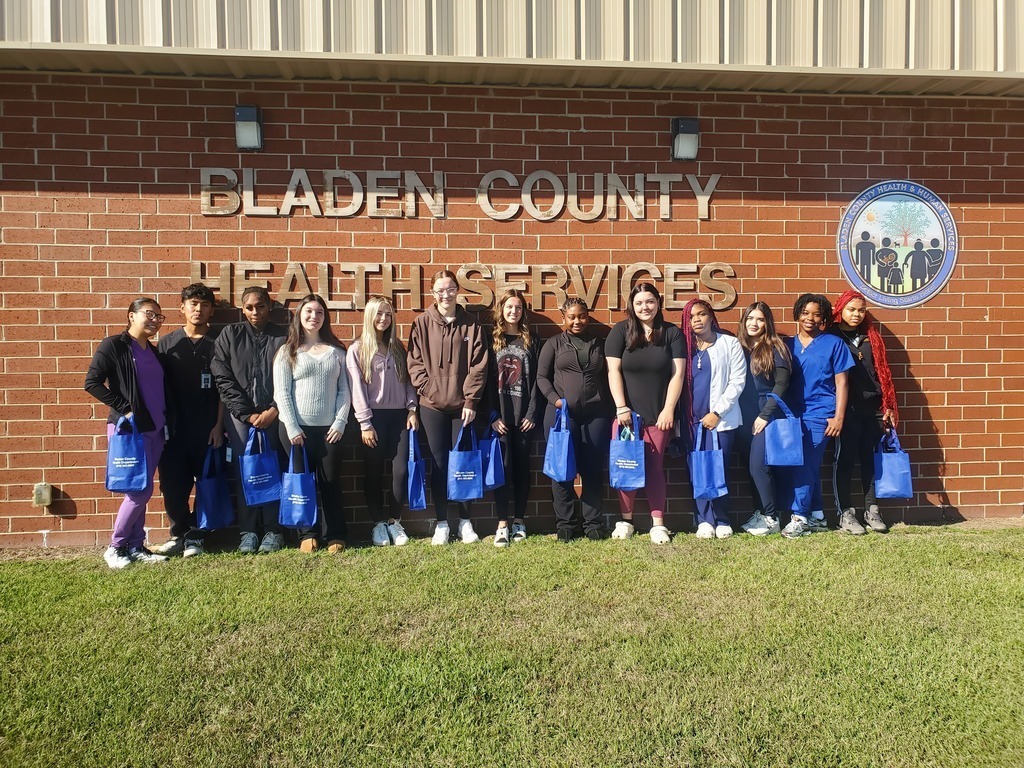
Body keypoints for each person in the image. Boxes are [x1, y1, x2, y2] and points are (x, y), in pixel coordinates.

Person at [84, 298, 171, 569]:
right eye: (149, 314)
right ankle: (116, 546)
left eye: (159, 316)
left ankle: (135, 545)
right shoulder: (115, 346)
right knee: (138, 491)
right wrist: (125, 409)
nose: (155, 320)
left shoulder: (154, 352)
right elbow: (92, 383)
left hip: (155, 429)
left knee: (142, 489)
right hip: (130, 431)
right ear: (131, 316)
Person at [407, 270, 489, 545]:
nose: (446, 294)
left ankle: (465, 522)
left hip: (462, 407)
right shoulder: (421, 323)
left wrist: (470, 400)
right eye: (441, 289)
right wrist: (428, 390)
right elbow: (414, 362)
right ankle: (442, 522)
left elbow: (479, 364)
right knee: (440, 464)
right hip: (431, 406)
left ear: (457, 290)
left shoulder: (471, 324)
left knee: (462, 463)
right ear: (433, 293)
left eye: (451, 288)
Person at [605, 282, 686, 544]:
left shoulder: (672, 333)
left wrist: (669, 409)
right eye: (639, 302)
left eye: (649, 301)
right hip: (626, 416)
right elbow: (613, 371)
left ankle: (658, 523)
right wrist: (620, 407)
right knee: (626, 465)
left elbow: (678, 375)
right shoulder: (620, 332)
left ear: (658, 303)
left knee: (654, 467)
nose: (645, 307)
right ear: (632, 305)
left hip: (658, 415)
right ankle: (626, 521)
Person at [211, 286, 287, 554]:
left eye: (261, 306)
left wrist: (274, 409)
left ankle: (273, 531)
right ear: (243, 309)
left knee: (273, 470)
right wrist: (247, 413)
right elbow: (222, 376)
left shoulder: (284, 335)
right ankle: (248, 532)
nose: (255, 312)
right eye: (250, 307)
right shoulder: (230, 335)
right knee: (248, 471)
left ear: (270, 307)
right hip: (242, 419)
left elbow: (293, 374)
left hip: (276, 416)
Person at [274, 294, 351, 553]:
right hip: (297, 432)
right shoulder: (287, 352)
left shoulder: (337, 353)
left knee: (330, 482)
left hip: (331, 431)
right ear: (299, 315)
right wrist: (293, 427)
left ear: (325, 317)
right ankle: (306, 533)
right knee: (302, 482)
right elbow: (281, 393)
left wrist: (340, 422)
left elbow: (344, 391)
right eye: (308, 312)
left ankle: (335, 535)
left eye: (319, 312)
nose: (313, 317)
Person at [152, 283, 225, 558]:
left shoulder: (220, 341)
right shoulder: (167, 343)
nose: (198, 309)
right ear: (182, 308)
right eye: (193, 304)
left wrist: (219, 426)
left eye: (205, 305)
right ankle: (178, 533)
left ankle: (198, 535)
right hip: (173, 429)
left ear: (212, 310)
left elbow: (224, 389)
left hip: (208, 429)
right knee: (172, 485)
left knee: (208, 484)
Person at [778, 293, 855, 538]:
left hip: (820, 413)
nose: (810, 318)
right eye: (805, 312)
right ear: (797, 314)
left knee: (804, 464)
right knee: (805, 466)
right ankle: (818, 515)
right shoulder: (787, 345)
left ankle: (799, 517)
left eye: (817, 314)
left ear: (824, 318)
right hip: (791, 415)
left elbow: (842, 383)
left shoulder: (834, 344)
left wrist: (838, 417)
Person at [537, 298, 613, 542]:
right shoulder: (553, 344)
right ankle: (566, 525)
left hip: (595, 415)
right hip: (561, 416)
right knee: (562, 470)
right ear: (564, 318)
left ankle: (592, 524)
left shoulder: (599, 343)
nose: (577, 321)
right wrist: (555, 400)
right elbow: (541, 378)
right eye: (572, 317)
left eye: (581, 316)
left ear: (588, 316)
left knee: (592, 469)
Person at [346, 296, 418, 547]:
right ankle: (378, 524)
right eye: (379, 314)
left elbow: (409, 381)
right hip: (372, 418)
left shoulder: (397, 347)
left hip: (399, 417)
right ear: (369, 316)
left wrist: (412, 409)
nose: (383, 319)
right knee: (373, 473)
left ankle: (394, 522)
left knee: (401, 470)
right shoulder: (357, 350)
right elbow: (356, 389)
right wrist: (365, 423)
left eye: (388, 314)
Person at [828, 290, 898, 534]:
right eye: (851, 309)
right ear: (840, 310)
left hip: (873, 407)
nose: (856, 314)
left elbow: (883, 372)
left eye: (861, 309)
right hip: (846, 409)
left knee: (870, 459)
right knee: (845, 459)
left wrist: (887, 404)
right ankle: (845, 512)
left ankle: (872, 508)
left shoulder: (871, 336)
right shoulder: (831, 336)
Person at [681, 298, 746, 539]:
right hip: (692, 422)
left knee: (719, 468)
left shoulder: (729, 344)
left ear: (711, 316)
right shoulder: (685, 348)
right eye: (691, 316)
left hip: (720, 420)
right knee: (696, 469)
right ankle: (704, 520)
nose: (696, 319)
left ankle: (721, 518)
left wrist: (717, 412)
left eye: (701, 314)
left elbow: (738, 381)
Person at [488, 289, 542, 548]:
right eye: (509, 307)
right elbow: (483, 382)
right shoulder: (492, 340)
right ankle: (502, 524)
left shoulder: (531, 340)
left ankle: (519, 520)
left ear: (523, 311)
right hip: (500, 419)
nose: (513, 311)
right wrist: (492, 416)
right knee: (503, 469)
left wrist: (532, 413)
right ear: (501, 309)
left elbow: (539, 382)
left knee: (521, 469)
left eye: (518, 307)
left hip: (524, 419)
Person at [736, 301, 792, 537]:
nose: (754, 323)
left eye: (759, 319)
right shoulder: (741, 347)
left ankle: (771, 517)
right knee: (750, 468)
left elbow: (782, 384)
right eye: (750, 318)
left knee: (759, 466)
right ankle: (760, 511)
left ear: (767, 322)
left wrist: (765, 415)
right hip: (743, 416)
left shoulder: (775, 347)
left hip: (766, 415)